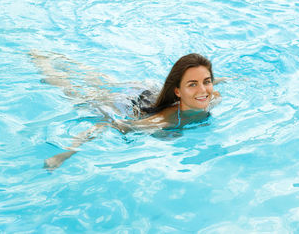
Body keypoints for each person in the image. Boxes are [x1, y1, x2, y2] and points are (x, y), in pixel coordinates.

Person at [30, 51, 225, 170]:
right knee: (76, 92)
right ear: (178, 91)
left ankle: (58, 58)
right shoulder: (163, 121)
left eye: (207, 82)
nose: (203, 90)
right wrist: (66, 153)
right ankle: (44, 64)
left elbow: (206, 87)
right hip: (129, 105)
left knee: (104, 81)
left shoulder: (212, 97)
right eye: (192, 84)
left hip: (148, 93)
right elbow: (109, 124)